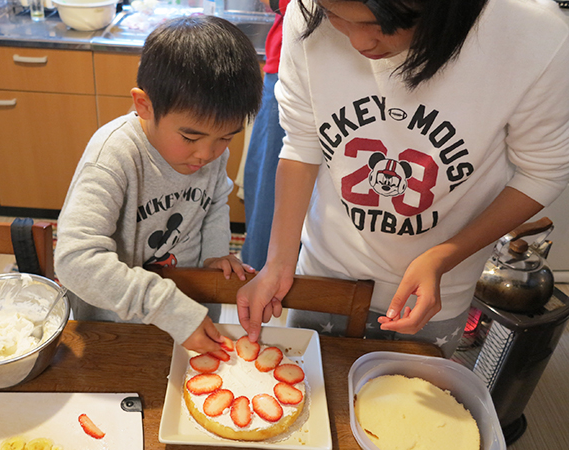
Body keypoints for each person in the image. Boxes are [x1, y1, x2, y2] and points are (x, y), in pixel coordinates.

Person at [236, 0, 569, 357]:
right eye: (336, 17)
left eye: (382, 23)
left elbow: (543, 169)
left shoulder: (534, 35)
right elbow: (302, 142)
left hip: (434, 293)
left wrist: (442, 257)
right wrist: (280, 261)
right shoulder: (308, 11)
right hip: (326, 274)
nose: (360, 43)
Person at [55, 15, 264, 354]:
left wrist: (214, 253)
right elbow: (75, 260)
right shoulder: (115, 154)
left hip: (190, 317)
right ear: (145, 106)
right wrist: (167, 306)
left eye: (226, 138)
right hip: (117, 328)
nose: (206, 154)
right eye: (190, 136)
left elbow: (215, 203)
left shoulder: (209, 153)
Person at [241, 0, 291, 270]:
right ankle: (258, 275)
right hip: (289, 65)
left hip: (361, 68)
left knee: (271, 182)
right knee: (271, 183)